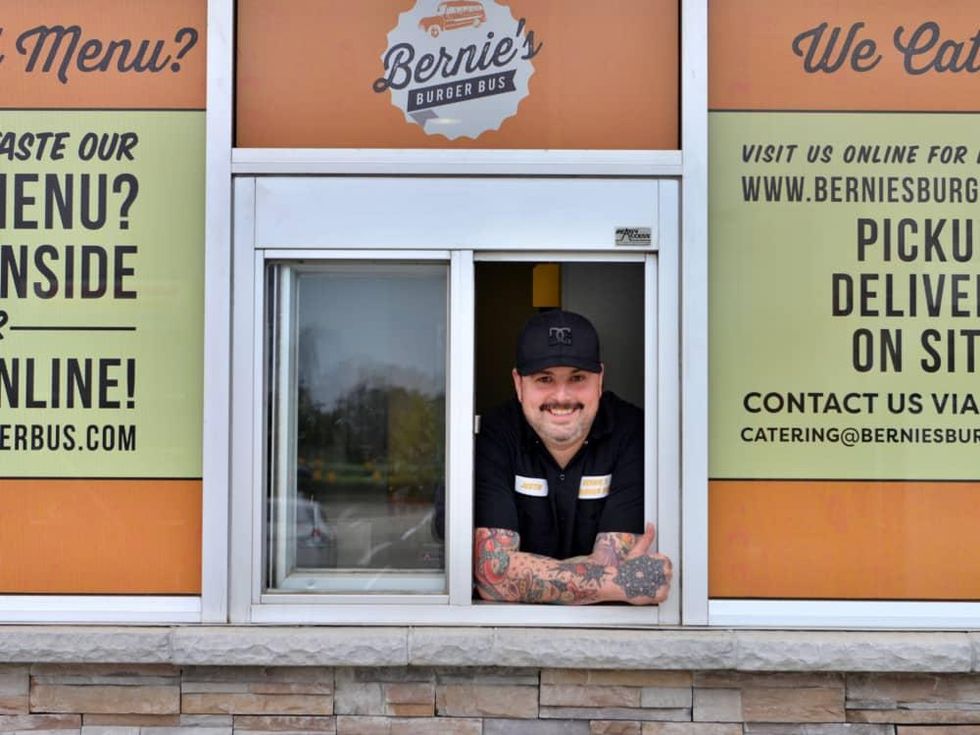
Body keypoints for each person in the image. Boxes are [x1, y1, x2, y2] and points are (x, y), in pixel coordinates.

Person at [473, 309, 672, 604]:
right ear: (518, 383)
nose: (562, 397)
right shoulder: (495, 433)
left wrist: (524, 573)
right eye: (545, 379)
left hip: (608, 627)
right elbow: (493, 576)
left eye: (577, 378)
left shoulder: (633, 431)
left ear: (600, 379)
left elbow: (615, 564)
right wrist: (617, 583)